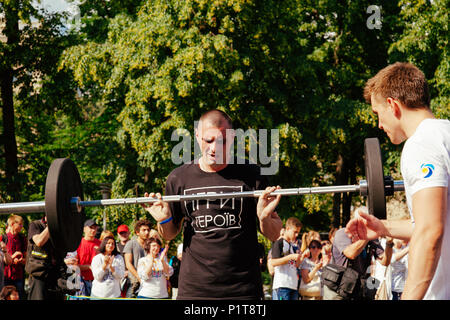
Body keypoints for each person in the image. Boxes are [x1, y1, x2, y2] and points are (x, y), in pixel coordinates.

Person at [142, 109, 283, 300]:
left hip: (244, 291)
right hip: (195, 290)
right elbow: (168, 233)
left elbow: (274, 234)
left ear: (232, 139)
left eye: (222, 141)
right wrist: (165, 219)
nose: (214, 148)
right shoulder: (178, 178)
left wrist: (264, 218)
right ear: (198, 136)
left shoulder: (252, 174)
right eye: (208, 140)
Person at [346, 62, 450, 299]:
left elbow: (431, 230)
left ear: (392, 105)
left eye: (377, 113)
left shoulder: (420, 144)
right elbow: (435, 220)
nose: (379, 124)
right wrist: (384, 227)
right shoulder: (444, 133)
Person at [324, 207, 393, 300]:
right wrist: (367, 237)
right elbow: (351, 254)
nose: (368, 225)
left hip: (356, 288)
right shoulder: (343, 233)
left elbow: (385, 262)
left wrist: (389, 243)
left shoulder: (372, 238)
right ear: (356, 221)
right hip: (337, 288)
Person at [26, 216, 68, 300]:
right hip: (39, 274)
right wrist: (52, 225)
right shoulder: (35, 225)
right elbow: (39, 241)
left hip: (56, 275)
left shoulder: (60, 228)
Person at [270, 217, 304, 300]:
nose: (296, 235)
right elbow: (273, 262)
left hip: (293, 285)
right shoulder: (279, 242)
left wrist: (301, 257)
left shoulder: (292, 246)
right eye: (295, 232)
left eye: (298, 233)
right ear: (288, 229)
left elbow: (295, 265)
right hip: (282, 285)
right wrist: (290, 257)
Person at [123, 219, 151, 298]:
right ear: (137, 232)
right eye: (144, 230)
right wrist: (139, 278)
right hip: (133, 282)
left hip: (148, 281)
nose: (147, 232)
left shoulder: (150, 245)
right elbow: (128, 263)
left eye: (148, 230)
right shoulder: (130, 243)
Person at [3, 215, 27, 299]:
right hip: (5, 275)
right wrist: (13, 257)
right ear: (12, 224)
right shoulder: (3, 238)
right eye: (20, 224)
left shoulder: (22, 238)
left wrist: (21, 260)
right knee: (5, 296)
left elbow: (26, 259)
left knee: (18, 296)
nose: (22, 226)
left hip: (18, 275)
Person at [76, 219, 101, 296]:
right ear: (84, 229)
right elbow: (74, 265)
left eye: (95, 228)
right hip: (81, 281)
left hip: (97, 281)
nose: (93, 230)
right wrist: (89, 267)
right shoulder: (78, 244)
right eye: (91, 227)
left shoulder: (101, 243)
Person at [116, 224, 130, 297]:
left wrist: (129, 271)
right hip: (118, 278)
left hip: (131, 278)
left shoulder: (133, 245)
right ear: (118, 234)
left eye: (125, 232)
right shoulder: (115, 246)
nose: (123, 235)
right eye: (121, 233)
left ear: (129, 233)